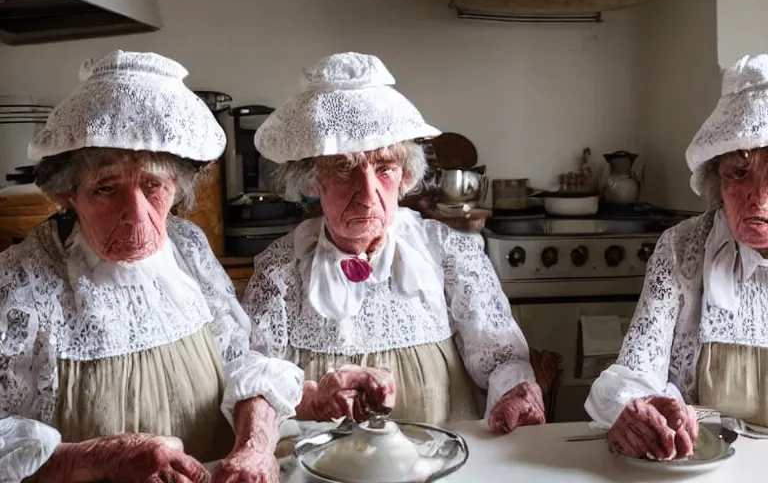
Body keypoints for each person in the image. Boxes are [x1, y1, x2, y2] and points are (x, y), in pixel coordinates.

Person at [0, 50, 303, 482]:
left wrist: (254, 448)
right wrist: (100, 458)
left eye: (153, 186)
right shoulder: (22, 281)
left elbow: (244, 363)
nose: (138, 216)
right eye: (106, 189)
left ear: (177, 187)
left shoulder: (189, 248)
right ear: (67, 193)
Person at [243, 51, 545, 433]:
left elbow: (501, 358)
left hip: (437, 465)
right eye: (345, 170)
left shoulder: (448, 252)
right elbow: (254, 379)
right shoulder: (281, 268)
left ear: (405, 177)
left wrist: (516, 393)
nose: (368, 195)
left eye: (385, 169)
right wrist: (307, 398)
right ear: (312, 180)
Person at [586, 53, 768, 460]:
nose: (759, 198)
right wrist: (639, 409)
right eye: (739, 173)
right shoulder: (682, 247)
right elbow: (635, 373)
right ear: (715, 178)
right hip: (696, 468)